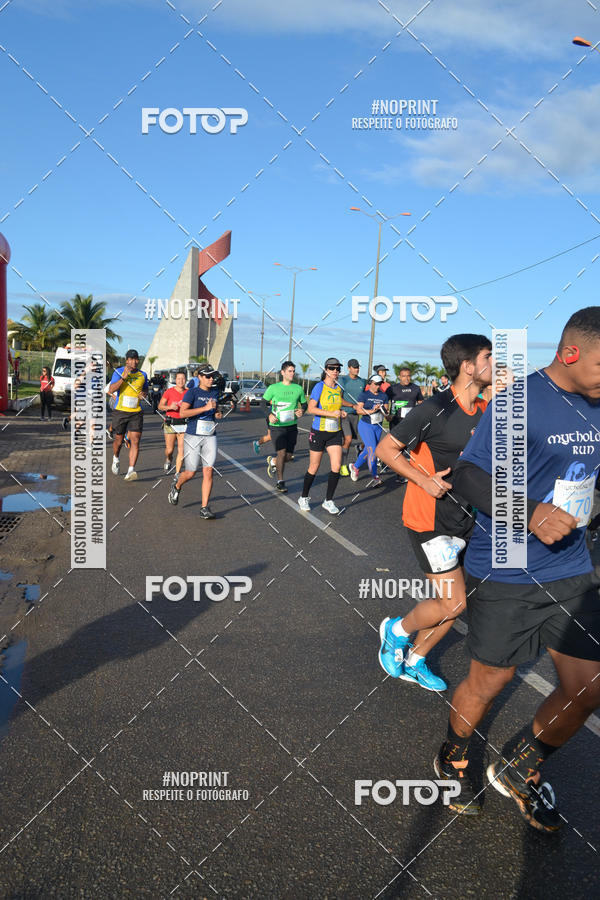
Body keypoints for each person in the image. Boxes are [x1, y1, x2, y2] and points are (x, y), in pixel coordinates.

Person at [433, 307, 600, 825]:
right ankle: (455, 753)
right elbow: (468, 475)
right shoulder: (522, 400)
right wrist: (528, 512)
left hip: (571, 567)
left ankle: (520, 765)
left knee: (588, 687)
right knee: (491, 680)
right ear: (570, 353)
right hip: (506, 566)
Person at [375, 334, 492, 692]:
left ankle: (415, 660)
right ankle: (395, 631)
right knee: (453, 602)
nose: (496, 364)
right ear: (469, 367)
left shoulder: (484, 409)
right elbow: (386, 448)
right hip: (430, 519)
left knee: (456, 602)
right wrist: (424, 481)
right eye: (489, 357)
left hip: (465, 517)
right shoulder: (435, 409)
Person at [168, 364, 222, 519]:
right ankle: (177, 485)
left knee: (208, 470)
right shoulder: (192, 392)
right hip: (193, 436)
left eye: (213, 376)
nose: (211, 379)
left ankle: (204, 508)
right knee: (191, 472)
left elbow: (216, 411)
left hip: (210, 435)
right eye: (208, 376)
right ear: (200, 377)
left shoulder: (214, 392)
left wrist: (217, 413)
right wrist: (204, 408)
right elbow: (183, 412)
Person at [298, 358, 347, 514]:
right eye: (332, 368)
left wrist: (341, 413)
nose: (335, 371)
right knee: (314, 466)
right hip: (319, 431)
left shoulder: (339, 388)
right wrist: (331, 413)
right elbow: (311, 409)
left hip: (335, 432)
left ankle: (329, 500)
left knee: (336, 466)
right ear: (326, 370)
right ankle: (304, 497)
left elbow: (338, 406)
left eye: (338, 369)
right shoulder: (319, 387)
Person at [262, 361, 307, 493]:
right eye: (289, 371)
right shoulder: (273, 388)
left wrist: (302, 411)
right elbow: (263, 404)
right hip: (277, 426)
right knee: (281, 452)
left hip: (292, 426)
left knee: (288, 456)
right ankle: (280, 481)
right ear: (283, 372)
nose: (292, 373)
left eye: (293, 371)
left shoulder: (298, 389)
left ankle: (273, 461)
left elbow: (304, 404)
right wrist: (269, 414)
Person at [108, 349, 149, 482]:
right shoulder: (119, 371)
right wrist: (122, 379)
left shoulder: (143, 375)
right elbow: (111, 389)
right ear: (127, 360)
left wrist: (143, 394)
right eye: (131, 359)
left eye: (136, 359)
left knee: (135, 440)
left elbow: (145, 390)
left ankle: (131, 470)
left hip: (136, 411)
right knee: (119, 441)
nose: (134, 361)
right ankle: (116, 458)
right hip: (120, 411)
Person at [350, 375, 389, 487]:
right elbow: (359, 410)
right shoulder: (364, 395)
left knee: (371, 448)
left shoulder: (383, 396)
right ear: (370, 383)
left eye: (379, 384)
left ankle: (355, 466)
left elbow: (386, 412)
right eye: (375, 383)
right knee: (373, 449)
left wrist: (385, 413)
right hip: (366, 425)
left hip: (378, 425)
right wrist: (372, 410)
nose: (377, 386)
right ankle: (374, 476)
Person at [337, 358, 366, 477]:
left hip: (356, 416)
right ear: (349, 368)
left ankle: (359, 448)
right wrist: (352, 405)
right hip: (345, 414)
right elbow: (339, 398)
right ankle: (342, 465)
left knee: (354, 440)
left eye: (358, 367)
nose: (357, 369)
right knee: (347, 439)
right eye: (354, 367)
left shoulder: (362, 382)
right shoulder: (343, 380)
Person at [159, 370, 187, 474]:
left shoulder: (188, 392)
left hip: (184, 423)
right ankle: (168, 458)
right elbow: (160, 406)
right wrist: (170, 407)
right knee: (170, 450)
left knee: (181, 450)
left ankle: (177, 473)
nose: (181, 381)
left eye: (183, 379)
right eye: (179, 379)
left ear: (186, 380)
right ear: (175, 380)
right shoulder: (169, 391)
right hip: (171, 423)